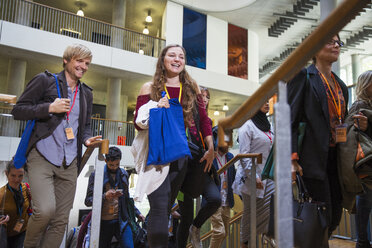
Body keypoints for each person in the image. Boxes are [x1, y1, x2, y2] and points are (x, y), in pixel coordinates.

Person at [11, 43, 101, 248]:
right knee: (44, 210)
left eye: (87, 63)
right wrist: (49, 107)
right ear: (66, 60)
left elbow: (84, 126)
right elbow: (19, 110)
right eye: (79, 61)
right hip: (42, 155)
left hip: (70, 162)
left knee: (61, 220)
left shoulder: (86, 92)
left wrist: (87, 139)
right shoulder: (45, 81)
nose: (83, 66)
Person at [133, 44, 214, 248]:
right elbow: (137, 123)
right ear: (163, 60)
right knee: (160, 207)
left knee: (167, 204)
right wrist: (154, 107)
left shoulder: (191, 88)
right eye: (172, 55)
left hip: (181, 156)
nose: (177, 59)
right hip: (157, 155)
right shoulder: (148, 88)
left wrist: (211, 147)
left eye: (181, 56)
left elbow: (203, 119)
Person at [288, 35, 348, 244]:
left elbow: (342, 119)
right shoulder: (304, 76)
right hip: (311, 160)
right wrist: (292, 158)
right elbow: (290, 119)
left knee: (334, 217)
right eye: (329, 40)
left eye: (338, 42)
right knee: (320, 217)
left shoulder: (340, 85)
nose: (335, 45)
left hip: (337, 158)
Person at [177, 89, 220, 248]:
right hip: (184, 173)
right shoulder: (185, 115)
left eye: (207, 97)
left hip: (203, 169)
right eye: (201, 96)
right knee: (185, 218)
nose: (205, 99)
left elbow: (214, 150)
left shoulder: (208, 122)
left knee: (215, 199)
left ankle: (195, 228)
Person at [232, 102, 274, 247]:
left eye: (269, 100)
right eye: (263, 100)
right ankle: (245, 243)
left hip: (268, 176)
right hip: (251, 178)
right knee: (250, 214)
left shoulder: (269, 126)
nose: (267, 103)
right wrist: (254, 176)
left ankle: (267, 236)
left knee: (272, 208)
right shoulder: (247, 127)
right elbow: (244, 155)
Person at [84, 147, 145, 248]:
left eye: (117, 164)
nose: (114, 167)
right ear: (105, 161)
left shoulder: (123, 174)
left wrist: (137, 213)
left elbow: (127, 199)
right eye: (111, 165)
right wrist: (104, 196)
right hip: (102, 222)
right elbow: (88, 201)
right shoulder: (96, 175)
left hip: (122, 220)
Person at [341, 70, 372, 248]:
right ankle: (362, 241)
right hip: (365, 162)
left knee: (366, 202)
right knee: (365, 202)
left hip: (367, 161)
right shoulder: (359, 104)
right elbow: (350, 132)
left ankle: (363, 241)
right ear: (365, 85)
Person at [208, 126, 236, 248]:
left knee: (225, 233)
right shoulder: (211, 156)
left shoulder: (230, 157)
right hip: (214, 200)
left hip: (227, 200)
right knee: (219, 231)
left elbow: (233, 177)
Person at [0, 161, 32, 248]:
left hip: (22, 231)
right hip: (4, 235)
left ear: (24, 174)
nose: (17, 179)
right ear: (7, 174)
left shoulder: (27, 188)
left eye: (20, 176)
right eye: (13, 175)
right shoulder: (1, 194)